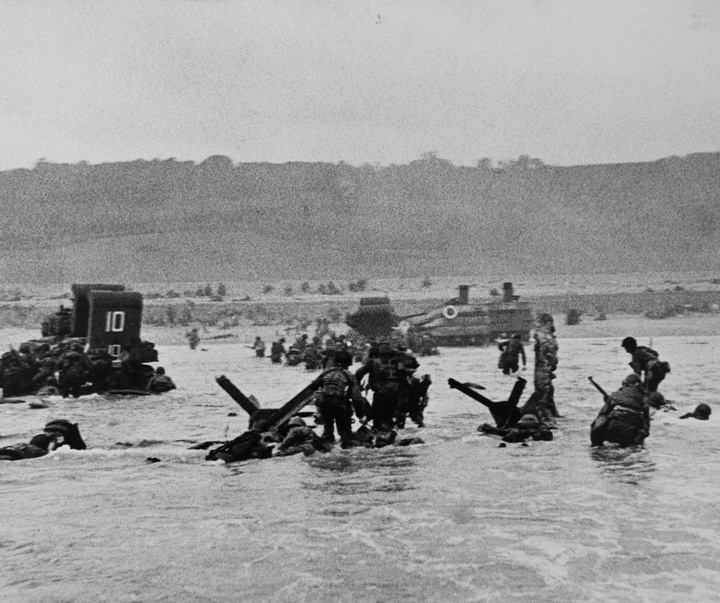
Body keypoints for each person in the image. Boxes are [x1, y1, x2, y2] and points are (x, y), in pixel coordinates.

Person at [312, 350, 368, 447]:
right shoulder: (349, 375)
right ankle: (345, 444)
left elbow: (314, 386)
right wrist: (361, 415)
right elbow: (356, 398)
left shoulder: (326, 372)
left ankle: (327, 443)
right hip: (340, 406)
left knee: (328, 430)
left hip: (324, 404)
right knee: (345, 434)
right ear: (348, 363)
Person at [590, 374, 650, 447]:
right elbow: (646, 423)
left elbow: (603, 412)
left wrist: (608, 401)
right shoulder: (645, 399)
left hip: (612, 431)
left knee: (600, 419)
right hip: (630, 436)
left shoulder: (616, 395)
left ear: (625, 383)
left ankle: (595, 447)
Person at [355, 343, 401, 431]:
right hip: (394, 393)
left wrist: (357, 385)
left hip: (380, 392)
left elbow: (359, 373)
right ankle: (389, 429)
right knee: (389, 414)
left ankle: (380, 429)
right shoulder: (395, 364)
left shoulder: (373, 362)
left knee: (378, 414)